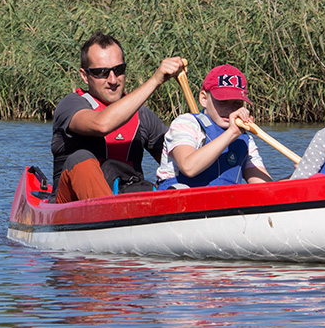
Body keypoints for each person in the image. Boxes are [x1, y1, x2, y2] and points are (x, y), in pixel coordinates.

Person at [51, 32, 185, 203]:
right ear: (84, 76)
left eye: (119, 70)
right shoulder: (70, 105)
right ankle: (107, 215)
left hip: (125, 200)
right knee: (81, 158)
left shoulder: (143, 116)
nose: (113, 80)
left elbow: (179, 164)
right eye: (101, 72)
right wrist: (155, 80)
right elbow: (101, 125)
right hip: (69, 203)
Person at [153, 65, 273, 189]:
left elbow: (266, 188)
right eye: (222, 102)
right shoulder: (186, 124)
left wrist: (293, 178)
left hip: (226, 203)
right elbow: (188, 167)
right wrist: (231, 133)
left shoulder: (245, 140)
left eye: (236, 103)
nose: (229, 109)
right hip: (180, 200)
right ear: (204, 99)